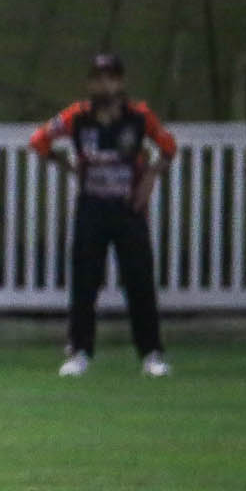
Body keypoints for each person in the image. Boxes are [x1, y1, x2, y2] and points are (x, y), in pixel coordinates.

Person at [30, 53, 175, 378]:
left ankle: (151, 353)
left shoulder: (139, 117)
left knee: (139, 280)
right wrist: (66, 164)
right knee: (85, 281)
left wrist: (150, 178)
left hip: (129, 209)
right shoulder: (77, 117)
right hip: (92, 207)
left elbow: (168, 147)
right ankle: (79, 351)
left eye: (110, 78)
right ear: (90, 83)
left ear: (120, 82)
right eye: (97, 78)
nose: (104, 85)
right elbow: (39, 140)